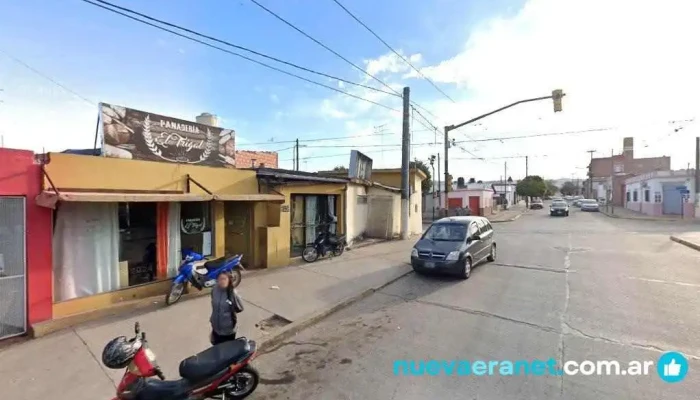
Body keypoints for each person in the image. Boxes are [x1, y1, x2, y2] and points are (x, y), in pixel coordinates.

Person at [210, 271, 243, 345]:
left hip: (228, 330)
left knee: (227, 352)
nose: (222, 281)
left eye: (224, 279)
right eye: (220, 279)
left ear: (229, 280)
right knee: (216, 350)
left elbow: (240, 308)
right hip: (216, 328)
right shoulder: (214, 290)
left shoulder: (232, 293)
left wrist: (235, 296)